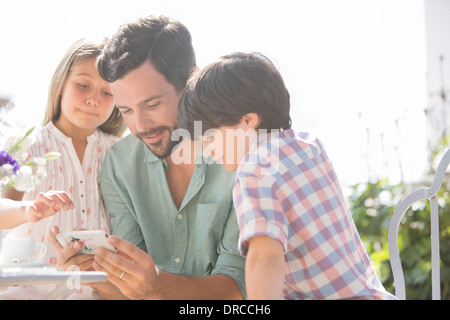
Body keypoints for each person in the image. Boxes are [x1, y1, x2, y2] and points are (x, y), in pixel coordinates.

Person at [177, 52, 397, 300]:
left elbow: (265, 258)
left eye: (209, 138)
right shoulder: (308, 146)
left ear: (248, 120)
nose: (207, 151)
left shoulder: (254, 170)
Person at [75, 15, 246, 300]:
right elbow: (133, 292)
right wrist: (92, 276)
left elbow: (240, 288)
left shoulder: (240, 154)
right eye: (126, 110)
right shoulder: (119, 165)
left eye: (152, 104)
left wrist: (157, 285)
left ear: (191, 80)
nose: (140, 126)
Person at [1, 38, 126, 299]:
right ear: (61, 84)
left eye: (107, 92)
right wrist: (28, 209)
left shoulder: (120, 152)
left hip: (96, 290)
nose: (94, 99)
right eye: (83, 85)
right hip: (28, 289)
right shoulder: (25, 144)